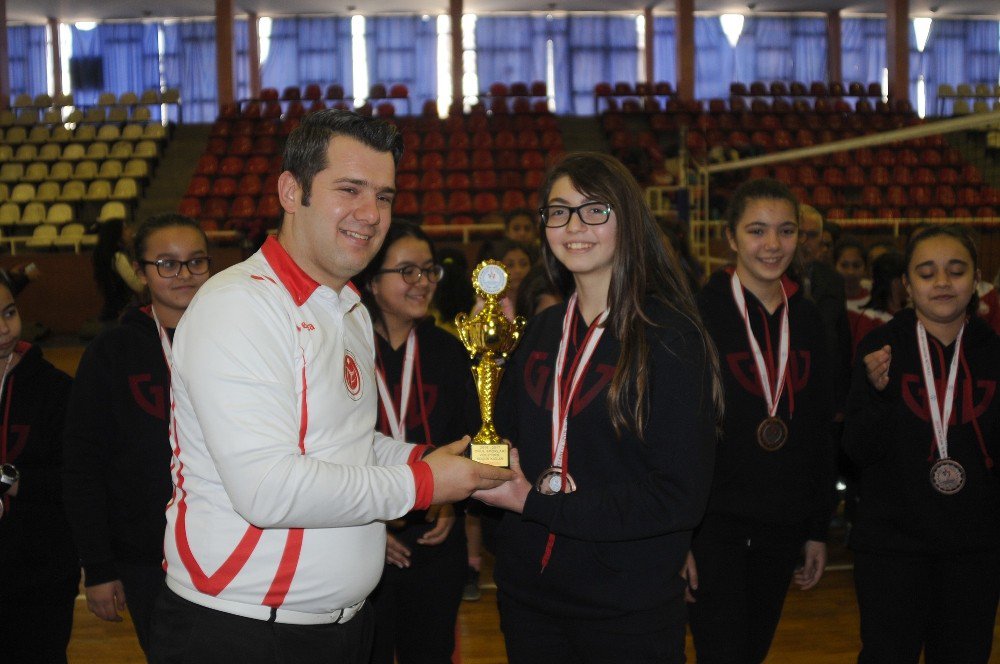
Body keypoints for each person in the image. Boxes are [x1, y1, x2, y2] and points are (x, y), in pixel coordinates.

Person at [149, 109, 510, 664]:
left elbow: (350, 443)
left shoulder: (346, 306)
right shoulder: (238, 305)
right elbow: (268, 490)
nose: (371, 214)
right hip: (241, 629)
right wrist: (422, 484)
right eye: (350, 189)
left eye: (384, 196)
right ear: (292, 191)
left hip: (338, 628)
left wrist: (427, 457)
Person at [476, 152, 721, 663]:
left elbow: (677, 497)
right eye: (559, 210)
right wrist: (483, 356)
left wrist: (534, 502)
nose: (574, 225)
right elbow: (502, 443)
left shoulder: (670, 337)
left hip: (626, 608)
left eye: (595, 210)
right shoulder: (540, 332)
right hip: (529, 601)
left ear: (627, 220)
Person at [687, 178, 837, 663]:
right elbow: (676, 436)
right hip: (712, 526)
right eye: (757, 231)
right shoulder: (696, 316)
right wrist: (680, 536)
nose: (773, 245)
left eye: (786, 230)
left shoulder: (810, 319)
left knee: (752, 652)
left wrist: (817, 527)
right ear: (730, 237)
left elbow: (819, 431)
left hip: (782, 522)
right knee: (722, 652)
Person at [844, 224, 1000, 663]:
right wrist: (875, 395)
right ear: (908, 284)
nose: (943, 283)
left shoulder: (994, 353)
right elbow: (857, 449)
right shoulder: (880, 347)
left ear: (977, 279)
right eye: (927, 273)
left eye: (956, 270)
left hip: (974, 552)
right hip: (892, 550)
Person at [63, 213, 213, 657]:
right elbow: (83, 464)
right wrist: (99, 567)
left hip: (231, 546)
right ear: (140, 271)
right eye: (166, 263)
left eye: (196, 262)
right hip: (147, 555)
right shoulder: (110, 352)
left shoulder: (240, 341)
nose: (184, 275)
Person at [356, 221, 475, 664]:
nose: (423, 282)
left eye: (428, 271)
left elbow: (468, 437)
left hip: (435, 537)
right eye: (407, 271)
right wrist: (369, 523)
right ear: (371, 279)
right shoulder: (346, 349)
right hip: (362, 537)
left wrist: (450, 503)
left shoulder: (448, 350)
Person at [0, 274, 78, 663]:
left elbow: (75, 479)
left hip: (40, 573)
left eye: (9, 313)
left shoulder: (54, 388)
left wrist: (11, 482)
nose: (3, 328)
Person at [798, 204, 852, 416]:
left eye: (811, 235)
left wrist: (841, 400)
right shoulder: (772, 280)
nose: (804, 241)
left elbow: (842, 342)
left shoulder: (834, 281)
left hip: (826, 392)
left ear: (822, 239)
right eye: (798, 233)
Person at [847, 251, 906, 361]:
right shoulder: (870, 319)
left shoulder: (909, 315)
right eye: (907, 279)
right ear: (896, 283)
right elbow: (861, 362)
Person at [92, 218, 144, 325]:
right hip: (121, 314)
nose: (130, 231)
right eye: (125, 229)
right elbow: (138, 286)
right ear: (117, 234)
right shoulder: (118, 257)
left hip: (114, 310)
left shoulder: (109, 255)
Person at [833, 236, 869, 310]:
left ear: (865, 268)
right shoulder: (826, 302)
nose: (850, 272)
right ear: (834, 266)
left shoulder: (874, 303)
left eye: (856, 266)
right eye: (844, 265)